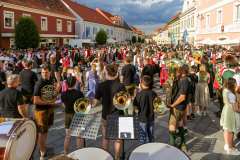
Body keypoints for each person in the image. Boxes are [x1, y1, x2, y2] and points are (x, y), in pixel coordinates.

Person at [94, 64, 125, 160]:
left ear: (106, 72)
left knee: (105, 137)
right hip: (117, 115)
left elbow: (96, 102)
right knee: (118, 139)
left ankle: (105, 157)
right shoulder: (121, 85)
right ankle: (117, 158)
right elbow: (124, 101)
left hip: (105, 115)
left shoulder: (101, 85)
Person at [33, 64, 57, 160]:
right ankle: (42, 153)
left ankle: (44, 147)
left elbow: (51, 93)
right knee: (41, 132)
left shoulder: (50, 80)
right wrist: (49, 102)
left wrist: (55, 97)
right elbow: (35, 100)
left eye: (46, 72)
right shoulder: (39, 83)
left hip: (49, 109)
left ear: (50, 72)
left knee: (46, 130)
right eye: (42, 72)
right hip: (41, 112)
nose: (44, 74)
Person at [61, 75, 85, 154]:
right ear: (75, 83)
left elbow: (63, 105)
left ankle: (65, 152)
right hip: (78, 115)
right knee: (79, 136)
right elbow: (83, 105)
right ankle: (79, 153)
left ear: (67, 84)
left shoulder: (63, 94)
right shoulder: (79, 93)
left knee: (68, 136)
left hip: (68, 115)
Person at [168, 65, 190, 151]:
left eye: (177, 71)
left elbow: (182, 97)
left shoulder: (185, 81)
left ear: (181, 71)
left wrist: (172, 105)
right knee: (180, 125)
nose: (175, 72)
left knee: (172, 127)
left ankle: (173, 147)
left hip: (178, 107)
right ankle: (182, 144)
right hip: (181, 107)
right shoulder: (181, 79)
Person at [133, 75, 157, 144]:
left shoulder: (139, 94)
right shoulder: (153, 93)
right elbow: (157, 106)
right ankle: (151, 148)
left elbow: (135, 107)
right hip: (151, 118)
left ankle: (143, 149)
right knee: (151, 136)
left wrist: (135, 95)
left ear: (142, 83)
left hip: (142, 118)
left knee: (142, 137)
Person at [220, 78, 240, 155]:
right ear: (232, 84)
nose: (236, 84)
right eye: (235, 83)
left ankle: (227, 144)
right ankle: (230, 148)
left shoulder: (225, 90)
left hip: (226, 110)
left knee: (226, 129)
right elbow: (235, 108)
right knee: (231, 130)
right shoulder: (231, 94)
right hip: (231, 112)